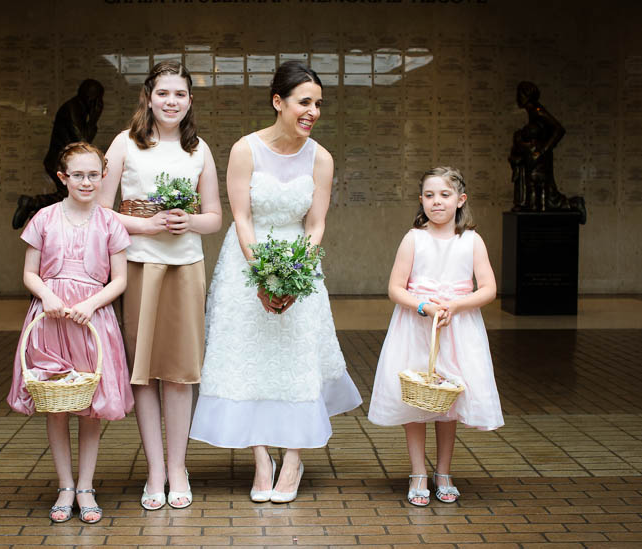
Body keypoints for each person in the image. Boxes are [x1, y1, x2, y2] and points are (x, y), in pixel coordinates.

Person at [189, 61, 362, 504]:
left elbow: (316, 224)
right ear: (278, 102)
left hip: (299, 263)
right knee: (249, 357)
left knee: (294, 360)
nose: (313, 112)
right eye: (305, 102)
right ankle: (261, 456)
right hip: (247, 262)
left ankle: (293, 458)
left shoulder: (321, 158)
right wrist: (261, 275)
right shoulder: (246, 149)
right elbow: (242, 217)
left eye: (318, 104)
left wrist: (295, 272)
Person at [98, 61, 221, 510]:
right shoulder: (125, 144)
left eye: (181, 94)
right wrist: (147, 227)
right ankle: (154, 470)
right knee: (144, 373)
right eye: (164, 93)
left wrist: (189, 220)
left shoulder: (199, 149)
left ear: (190, 100)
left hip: (185, 264)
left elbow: (214, 217)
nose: (172, 101)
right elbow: (101, 209)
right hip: (139, 264)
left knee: (180, 373)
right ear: (148, 97)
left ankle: (177, 468)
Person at [7, 142, 134, 523]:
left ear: (103, 176)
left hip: (91, 321)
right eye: (77, 174)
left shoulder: (111, 222)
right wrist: (47, 295)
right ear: (63, 178)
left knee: (89, 406)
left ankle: (86, 486)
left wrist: (91, 304)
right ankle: (64, 484)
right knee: (56, 403)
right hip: (52, 319)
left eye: (93, 174)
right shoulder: (44, 218)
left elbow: (120, 279)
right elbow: (30, 273)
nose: (86, 181)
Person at [367, 167, 504, 507]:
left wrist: (456, 305)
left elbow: (488, 288)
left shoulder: (471, 240)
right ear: (421, 200)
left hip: (458, 329)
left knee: (448, 402)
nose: (436, 202)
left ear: (461, 200)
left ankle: (443, 471)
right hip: (416, 328)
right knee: (418, 398)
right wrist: (424, 305)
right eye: (429, 195)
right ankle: (417, 472)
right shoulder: (414, 238)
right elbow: (396, 288)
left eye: (444, 195)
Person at [13, 79, 106, 229]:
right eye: (96, 99)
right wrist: (94, 119)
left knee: (71, 195)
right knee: (69, 195)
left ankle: (34, 207)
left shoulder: (79, 108)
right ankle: (32, 203)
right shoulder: (73, 108)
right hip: (59, 162)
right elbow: (83, 140)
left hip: (65, 163)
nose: (98, 104)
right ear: (89, 97)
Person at [509, 81, 586, 223]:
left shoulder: (539, 111)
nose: (517, 98)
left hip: (541, 159)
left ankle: (575, 203)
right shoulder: (532, 113)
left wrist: (543, 150)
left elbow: (559, 129)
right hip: (534, 159)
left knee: (548, 194)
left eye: (520, 94)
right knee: (542, 191)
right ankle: (533, 206)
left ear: (527, 95)